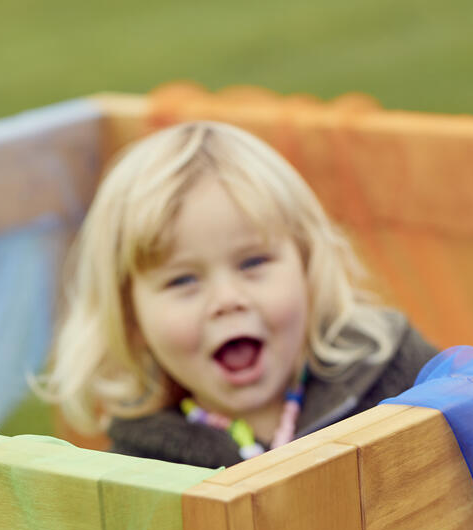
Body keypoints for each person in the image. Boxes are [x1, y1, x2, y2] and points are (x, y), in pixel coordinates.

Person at [46, 121, 437, 468]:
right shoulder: (141, 469)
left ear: (307, 267)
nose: (227, 300)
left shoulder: (394, 370)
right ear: (130, 316)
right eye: (182, 281)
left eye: (253, 262)